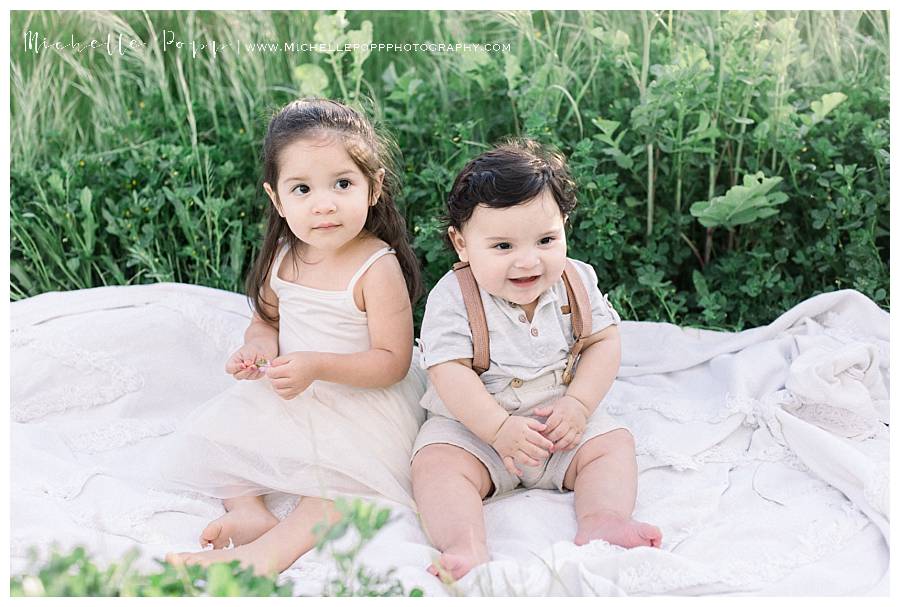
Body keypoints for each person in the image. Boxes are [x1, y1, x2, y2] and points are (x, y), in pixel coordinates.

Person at [160, 98, 426, 575]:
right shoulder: (285, 255)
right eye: (302, 189)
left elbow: (393, 361)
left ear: (373, 187)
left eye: (342, 184)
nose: (323, 204)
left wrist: (318, 366)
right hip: (295, 389)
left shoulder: (376, 267)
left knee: (335, 486)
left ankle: (267, 554)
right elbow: (267, 321)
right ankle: (248, 511)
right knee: (224, 435)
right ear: (277, 199)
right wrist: (257, 350)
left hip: (363, 400)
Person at [411, 139, 662, 581]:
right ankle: (465, 543)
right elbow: (449, 373)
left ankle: (603, 517)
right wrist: (498, 428)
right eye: (503, 246)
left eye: (546, 239)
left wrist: (580, 404)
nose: (528, 261)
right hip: (476, 431)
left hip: (559, 423)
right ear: (461, 243)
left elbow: (604, 342)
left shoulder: (576, 281)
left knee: (612, 445)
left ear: (564, 226)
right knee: (436, 463)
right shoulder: (453, 298)